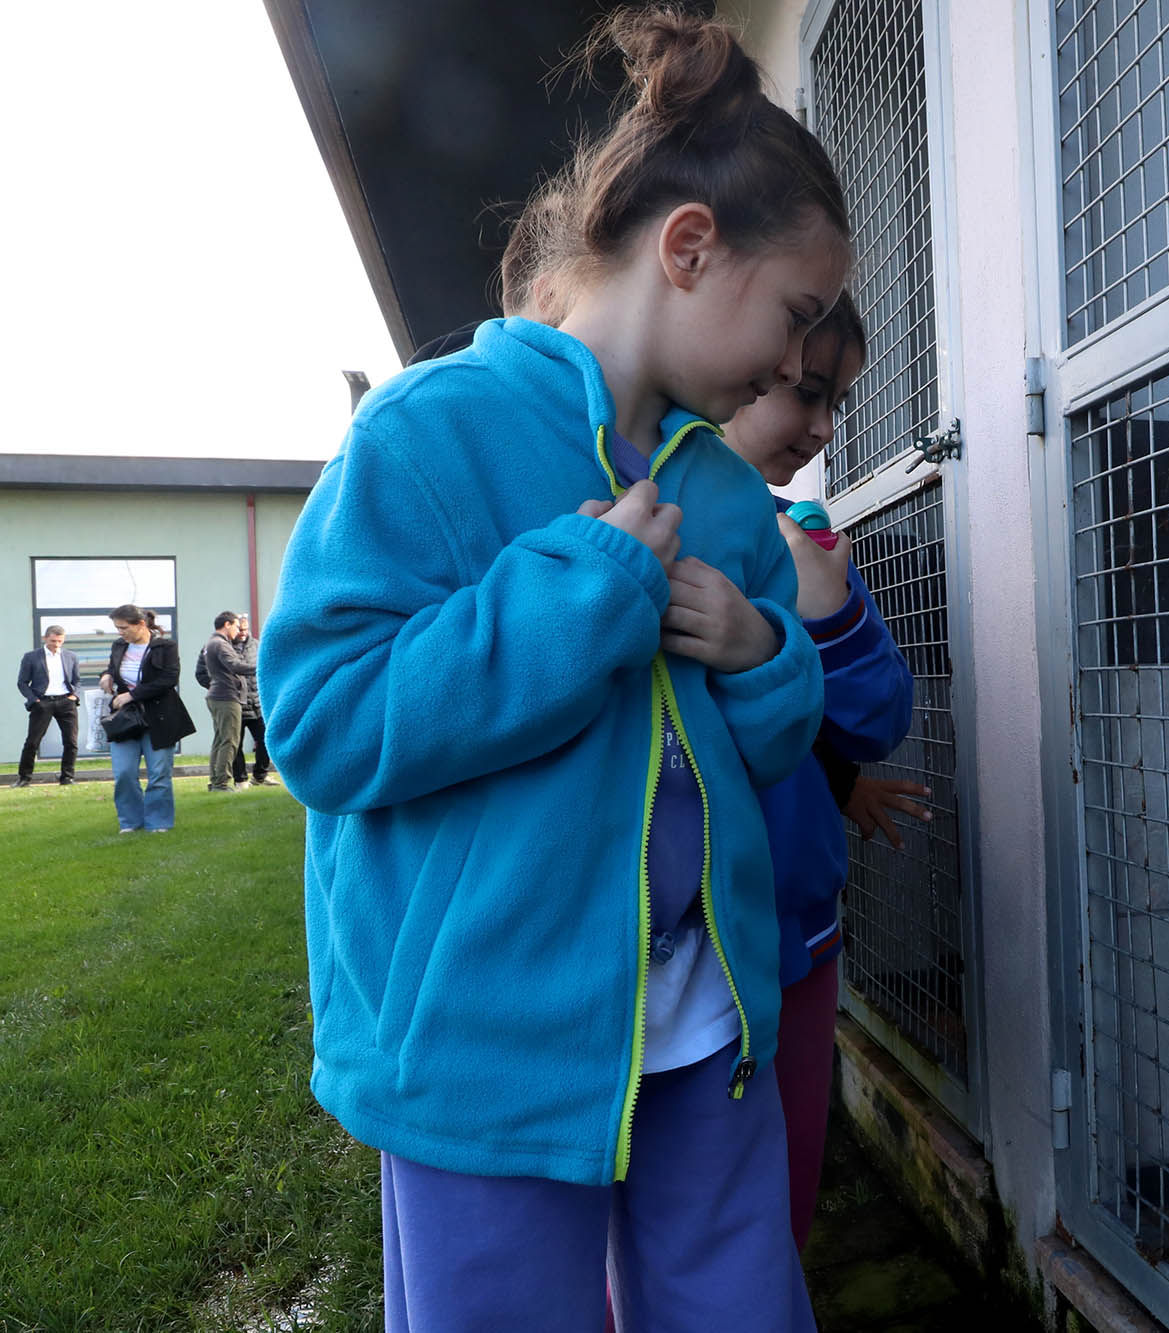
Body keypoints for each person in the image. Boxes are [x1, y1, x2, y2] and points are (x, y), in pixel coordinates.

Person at [258, 9, 849, 1330]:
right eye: (799, 315)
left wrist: (766, 658)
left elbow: (772, 735)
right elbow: (322, 721)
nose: (801, 363)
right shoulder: (425, 434)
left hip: (705, 1028)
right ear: (689, 249)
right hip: (488, 1061)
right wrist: (577, 596)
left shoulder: (725, 490)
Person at [720, 292, 932, 1249]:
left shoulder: (800, 533)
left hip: (799, 941)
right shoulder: (643, 530)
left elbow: (879, 714)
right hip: (676, 947)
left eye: (835, 397)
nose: (824, 427)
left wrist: (831, 606)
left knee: (781, 1190)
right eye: (805, 390)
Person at [99, 605, 196, 832]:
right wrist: (106, 674)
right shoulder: (119, 646)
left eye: (124, 628)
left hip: (160, 718)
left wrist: (132, 695)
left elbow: (169, 679)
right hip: (125, 721)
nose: (120, 632)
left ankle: (158, 823)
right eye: (117, 628)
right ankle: (130, 823)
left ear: (140, 624)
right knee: (123, 773)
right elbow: (113, 668)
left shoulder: (165, 647)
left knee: (159, 774)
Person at [15, 625, 81, 787]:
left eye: (60, 641)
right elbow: (22, 682)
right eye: (53, 641)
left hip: (66, 702)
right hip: (42, 702)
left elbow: (77, 681)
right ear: (45, 638)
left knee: (71, 741)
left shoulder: (71, 656)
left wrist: (74, 696)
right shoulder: (31, 657)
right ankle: (24, 778)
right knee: (32, 742)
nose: (56, 644)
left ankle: (67, 777)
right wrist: (34, 700)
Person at [201, 612, 254, 792]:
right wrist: (261, 667)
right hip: (226, 697)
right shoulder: (221, 644)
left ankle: (215, 780)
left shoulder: (211, 643)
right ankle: (221, 783)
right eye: (237, 626)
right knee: (230, 740)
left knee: (220, 739)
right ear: (227, 624)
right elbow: (234, 665)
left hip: (217, 695)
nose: (238, 631)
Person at [227, 615, 275, 787]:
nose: (242, 632)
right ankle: (240, 779)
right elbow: (202, 673)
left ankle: (260, 775)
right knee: (235, 744)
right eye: (239, 629)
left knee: (266, 740)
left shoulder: (256, 645)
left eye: (245, 629)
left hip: (256, 705)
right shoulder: (224, 646)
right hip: (235, 704)